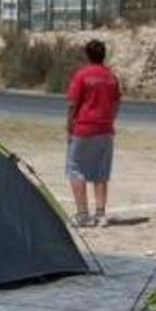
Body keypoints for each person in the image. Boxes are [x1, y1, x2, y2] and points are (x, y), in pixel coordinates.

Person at [66, 39, 121, 227]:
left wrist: (69, 127)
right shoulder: (111, 77)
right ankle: (101, 214)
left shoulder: (82, 75)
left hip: (84, 127)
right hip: (105, 129)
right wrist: (110, 120)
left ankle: (82, 214)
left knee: (75, 169)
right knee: (101, 171)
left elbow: (72, 104)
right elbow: (116, 104)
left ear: (87, 55)